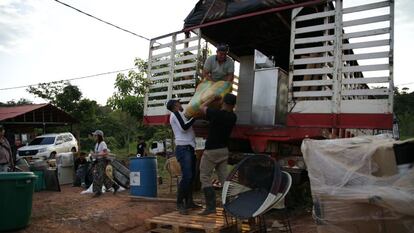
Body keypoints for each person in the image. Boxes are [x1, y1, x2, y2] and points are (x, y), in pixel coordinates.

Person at [198, 93, 237, 215]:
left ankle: (211, 207)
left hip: (211, 151)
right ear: (233, 105)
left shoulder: (216, 113)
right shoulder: (233, 117)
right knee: (224, 179)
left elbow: (201, 107)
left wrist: (212, 98)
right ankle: (228, 208)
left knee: (204, 176)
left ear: (223, 102)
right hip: (223, 151)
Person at [167, 99, 201, 215]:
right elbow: (184, 127)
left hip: (188, 148)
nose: (181, 105)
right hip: (184, 148)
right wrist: (196, 117)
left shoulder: (179, 114)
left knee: (191, 177)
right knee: (187, 176)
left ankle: (189, 202)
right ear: (175, 105)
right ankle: (180, 203)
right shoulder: (175, 114)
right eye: (179, 103)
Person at [91, 130, 119, 197]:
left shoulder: (102, 143)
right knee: (103, 176)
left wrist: (96, 155)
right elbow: (98, 153)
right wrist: (94, 155)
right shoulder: (97, 144)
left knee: (99, 176)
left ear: (98, 136)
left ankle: (98, 191)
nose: (94, 136)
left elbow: (106, 152)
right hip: (98, 161)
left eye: (95, 135)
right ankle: (114, 186)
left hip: (102, 161)